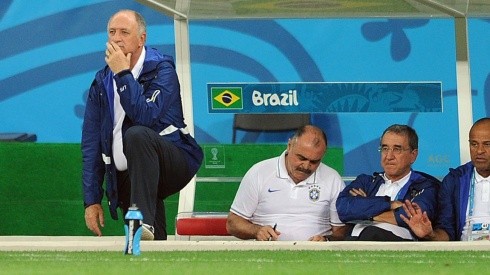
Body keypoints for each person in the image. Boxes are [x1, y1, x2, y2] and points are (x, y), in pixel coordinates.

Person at [82, 10, 203, 240]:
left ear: (142, 39)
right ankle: (147, 230)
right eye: (112, 32)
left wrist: (123, 74)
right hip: (129, 175)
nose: (116, 38)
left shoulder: (162, 70)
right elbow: (91, 144)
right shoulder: (101, 82)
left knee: (137, 135)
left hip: (173, 161)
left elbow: (145, 116)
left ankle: (141, 220)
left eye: (124, 32)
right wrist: (92, 199)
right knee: (146, 246)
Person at [226, 125, 347, 241]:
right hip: (266, 254)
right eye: (301, 158)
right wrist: (257, 231)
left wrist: (326, 239)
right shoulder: (259, 172)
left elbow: (341, 230)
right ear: (289, 146)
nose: (306, 166)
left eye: (314, 161)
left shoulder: (332, 179)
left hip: (317, 256)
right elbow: (233, 223)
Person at [336, 124, 439, 241]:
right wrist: (390, 204)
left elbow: (412, 216)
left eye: (397, 149)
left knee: (371, 233)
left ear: (413, 155)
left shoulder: (425, 186)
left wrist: (364, 210)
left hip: (398, 249)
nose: (389, 156)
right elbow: (343, 208)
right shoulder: (366, 181)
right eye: (385, 149)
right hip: (354, 243)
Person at [401, 117, 490, 241]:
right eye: (474, 144)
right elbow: (447, 231)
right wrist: (430, 234)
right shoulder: (455, 180)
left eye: (487, 144)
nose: (479, 151)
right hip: (466, 250)